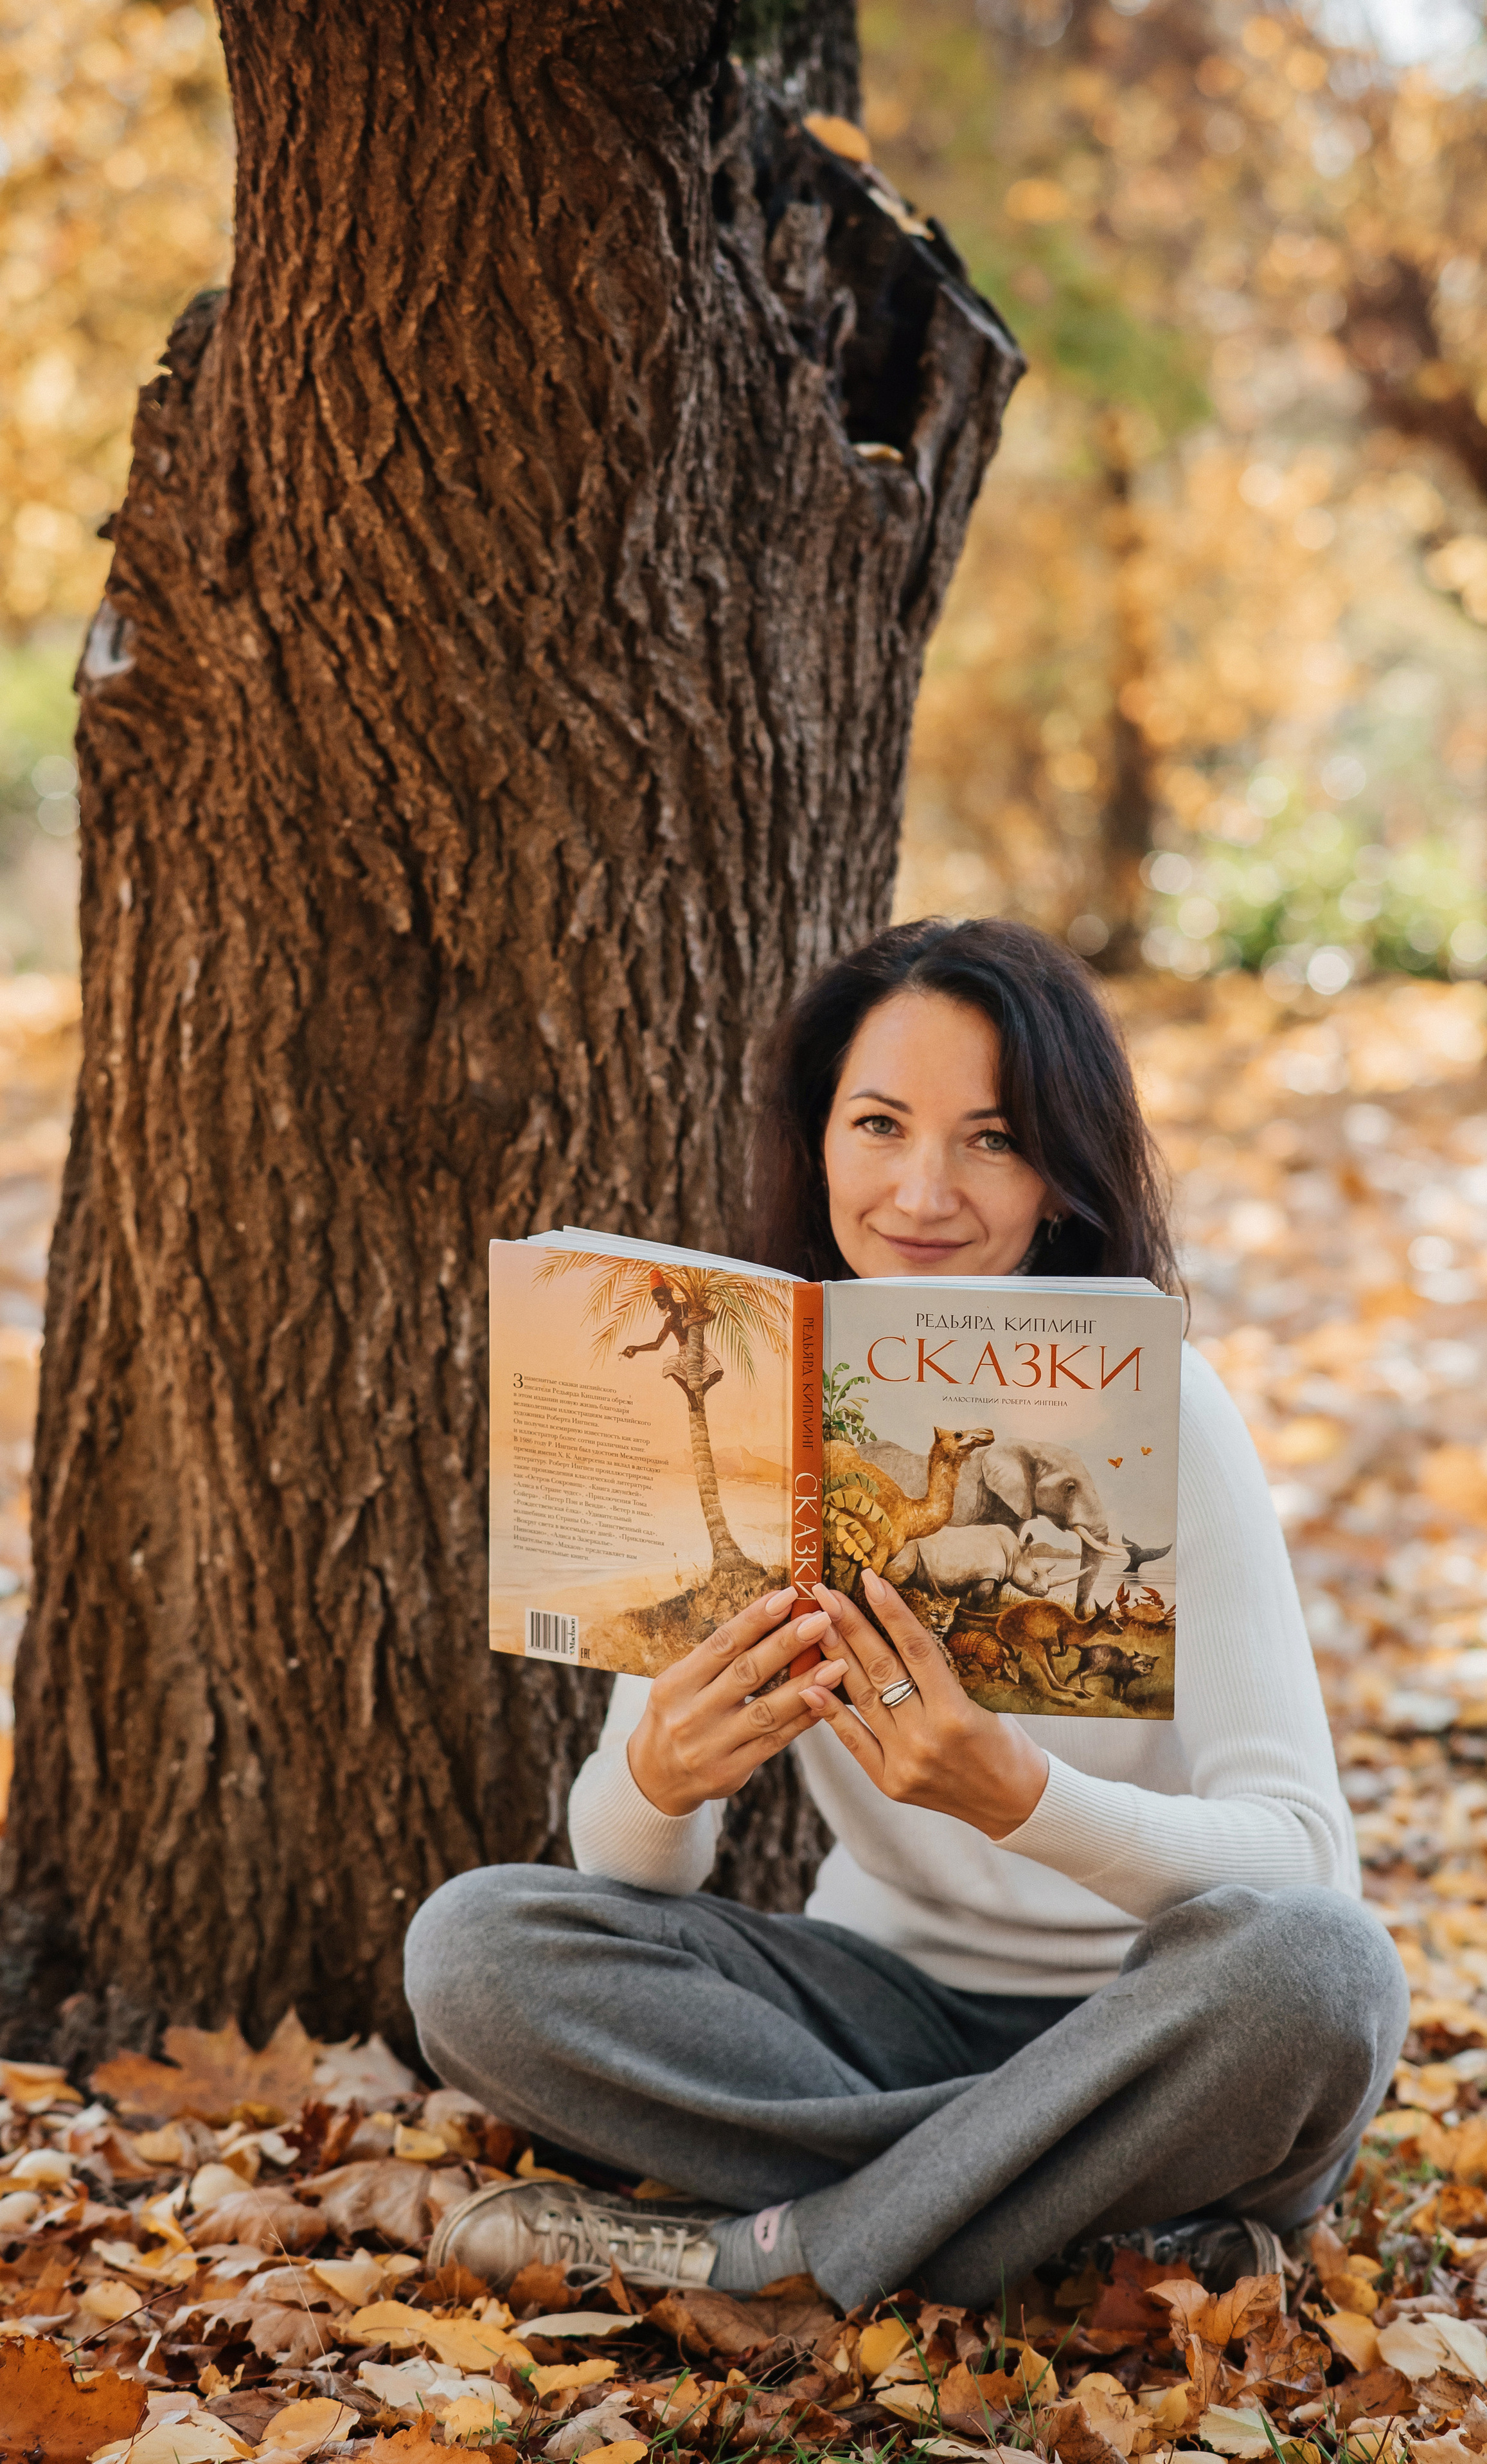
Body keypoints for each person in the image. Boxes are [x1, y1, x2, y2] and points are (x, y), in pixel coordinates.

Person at [405, 917, 1407, 2312]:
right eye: (877, 1124)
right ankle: (1062, 2222)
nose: (920, 1190)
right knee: (470, 1948)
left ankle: (788, 2248)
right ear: (818, 1139)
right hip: (870, 2025)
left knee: (1317, 1973)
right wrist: (657, 1779)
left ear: (1059, 1174)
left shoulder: (1163, 1405)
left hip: (1162, 2030)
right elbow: (627, 1878)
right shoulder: (759, 1399)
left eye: (990, 1140)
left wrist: (1018, 1796)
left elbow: (1304, 1864)